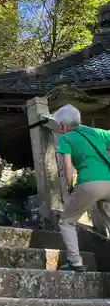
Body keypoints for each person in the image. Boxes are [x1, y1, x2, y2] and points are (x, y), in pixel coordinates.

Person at [55, 104, 110, 271]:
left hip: (89, 183)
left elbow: (67, 165)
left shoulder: (66, 138)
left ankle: (75, 261)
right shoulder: (96, 133)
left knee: (67, 222)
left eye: (59, 125)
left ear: (64, 125)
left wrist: (70, 186)